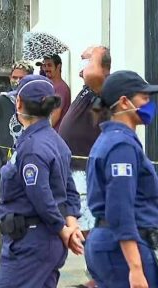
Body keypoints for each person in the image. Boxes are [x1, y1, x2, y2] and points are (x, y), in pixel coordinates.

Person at [0, 75, 82, 287]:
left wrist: (64, 229)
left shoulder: (33, 148)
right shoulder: (56, 141)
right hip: (43, 243)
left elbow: (40, 196)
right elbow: (69, 189)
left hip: (30, 245)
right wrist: (71, 225)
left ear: (19, 103)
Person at [85, 70, 158, 287]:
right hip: (122, 248)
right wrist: (136, 268)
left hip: (112, 244)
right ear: (125, 102)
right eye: (144, 98)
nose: (149, 104)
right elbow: (120, 209)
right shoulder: (121, 146)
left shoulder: (112, 139)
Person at [58, 46, 111, 288]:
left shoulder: (103, 89)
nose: (84, 70)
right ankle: (97, 273)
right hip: (75, 169)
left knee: (87, 228)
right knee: (83, 227)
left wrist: (97, 50)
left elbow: (98, 67)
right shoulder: (90, 92)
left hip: (85, 170)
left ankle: (98, 275)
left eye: (89, 64)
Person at [0, 60, 34, 170]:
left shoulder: (36, 104)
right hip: (8, 171)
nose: (17, 81)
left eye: (22, 78)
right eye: (14, 77)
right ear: (10, 78)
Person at [43, 54, 71, 130]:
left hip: (55, 134)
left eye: (49, 65)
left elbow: (55, 115)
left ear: (58, 66)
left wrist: (41, 131)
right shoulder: (50, 86)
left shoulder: (61, 88)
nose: (46, 69)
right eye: (44, 66)